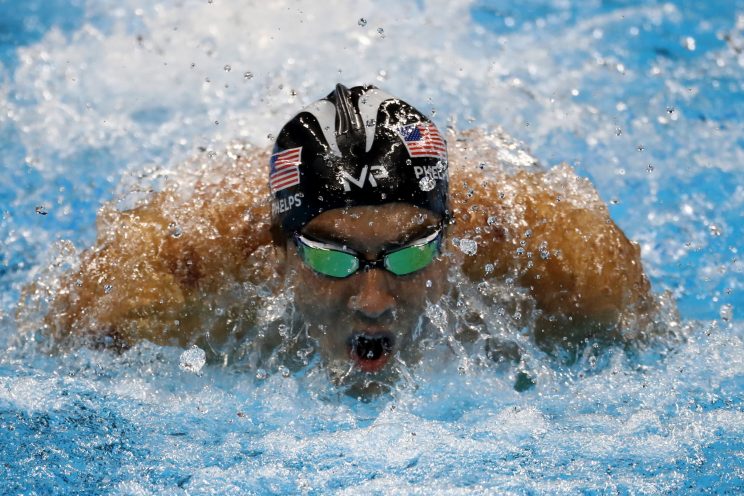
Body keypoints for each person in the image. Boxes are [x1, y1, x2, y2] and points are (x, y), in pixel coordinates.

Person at [40, 84, 655, 392]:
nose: (374, 300)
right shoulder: (168, 276)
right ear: (276, 250)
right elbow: (47, 369)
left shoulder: (573, 269)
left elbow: (662, 358)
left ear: (452, 240)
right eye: (333, 258)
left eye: (411, 252)